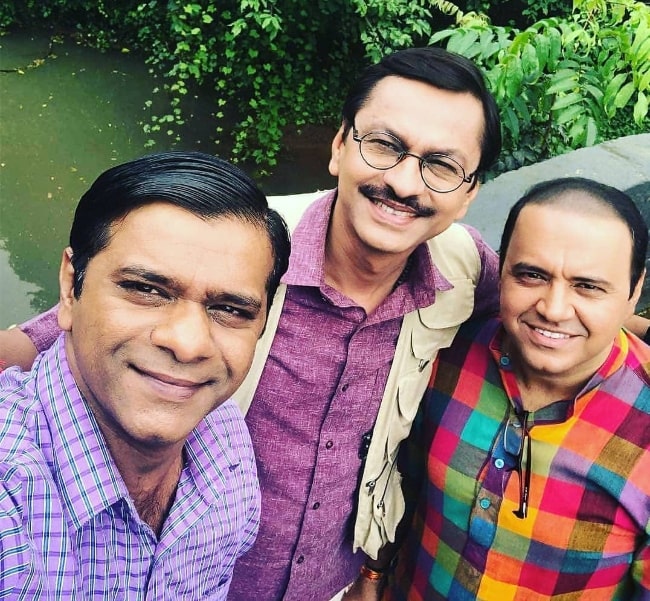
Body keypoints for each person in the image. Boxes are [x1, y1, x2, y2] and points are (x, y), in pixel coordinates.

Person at [1, 51, 647, 601]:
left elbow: (549, 306)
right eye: (384, 145)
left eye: (441, 165)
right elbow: (67, 327)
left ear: (469, 192)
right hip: (199, 576)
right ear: (340, 146)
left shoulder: (466, 269)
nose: (402, 182)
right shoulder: (241, 249)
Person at [0, 151, 291, 599]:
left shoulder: (226, 441)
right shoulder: (12, 493)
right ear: (69, 287)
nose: (189, 343)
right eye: (145, 289)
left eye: (230, 309)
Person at [382, 178, 650, 600]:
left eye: (588, 286)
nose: (553, 309)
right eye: (531, 275)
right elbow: (397, 485)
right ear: (501, 269)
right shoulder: (446, 351)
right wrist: (373, 576)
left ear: (634, 292)